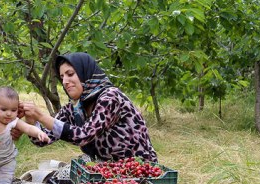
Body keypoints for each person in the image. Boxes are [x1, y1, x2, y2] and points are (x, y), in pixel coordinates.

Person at [19, 52, 158, 162]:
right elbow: (44, 140)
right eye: (62, 77)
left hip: (139, 168)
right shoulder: (74, 108)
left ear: (84, 73)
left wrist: (41, 116)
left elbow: (84, 136)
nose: (65, 81)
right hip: (108, 170)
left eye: (70, 74)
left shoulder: (110, 97)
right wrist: (31, 121)